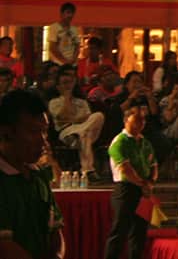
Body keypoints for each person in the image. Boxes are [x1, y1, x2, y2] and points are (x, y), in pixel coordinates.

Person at [0, 90, 64, 259]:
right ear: (6, 133)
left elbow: (55, 231)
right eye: (34, 132)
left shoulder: (39, 176)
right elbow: (4, 247)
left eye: (45, 131)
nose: (43, 140)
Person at [104, 103, 158, 259]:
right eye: (136, 121)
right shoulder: (119, 142)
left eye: (142, 121)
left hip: (144, 189)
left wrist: (151, 182)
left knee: (139, 232)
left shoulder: (145, 142)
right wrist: (142, 183)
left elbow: (154, 165)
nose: (140, 125)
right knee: (120, 230)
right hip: (126, 189)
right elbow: (125, 169)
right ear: (126, 121)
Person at [48, 65, 105, 181]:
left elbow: (88, 117)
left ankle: (87, 168)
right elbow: (61, 116)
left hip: (84, 128)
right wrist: (66, 99)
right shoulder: (54, 102)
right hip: (67, 132)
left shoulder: (81, 102)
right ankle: (88, 170)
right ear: (58, 86)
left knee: (98, 116)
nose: (67, 86)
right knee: (85, 135)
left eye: (70, 83)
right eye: (64, 83)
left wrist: (75, 119)